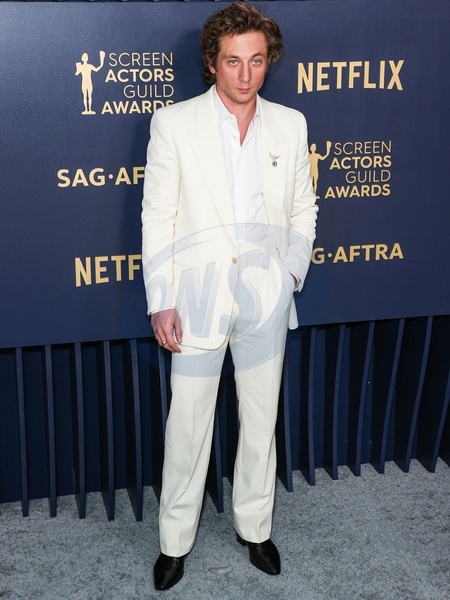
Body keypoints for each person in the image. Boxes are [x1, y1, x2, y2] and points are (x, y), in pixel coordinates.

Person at [141, 2, 318, 591]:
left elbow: (304, 209)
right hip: (195, 297)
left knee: (261, 420)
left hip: (266, 296)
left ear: (269, 62)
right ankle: (174, 543)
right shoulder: (174, 124)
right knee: (188, 426)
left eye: (257, 61)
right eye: (233, 61)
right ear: (212, 63)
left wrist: (289, 276)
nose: (246, 74)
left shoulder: (290, 124)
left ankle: (255, 527)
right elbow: (158, 216)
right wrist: (161, 298)